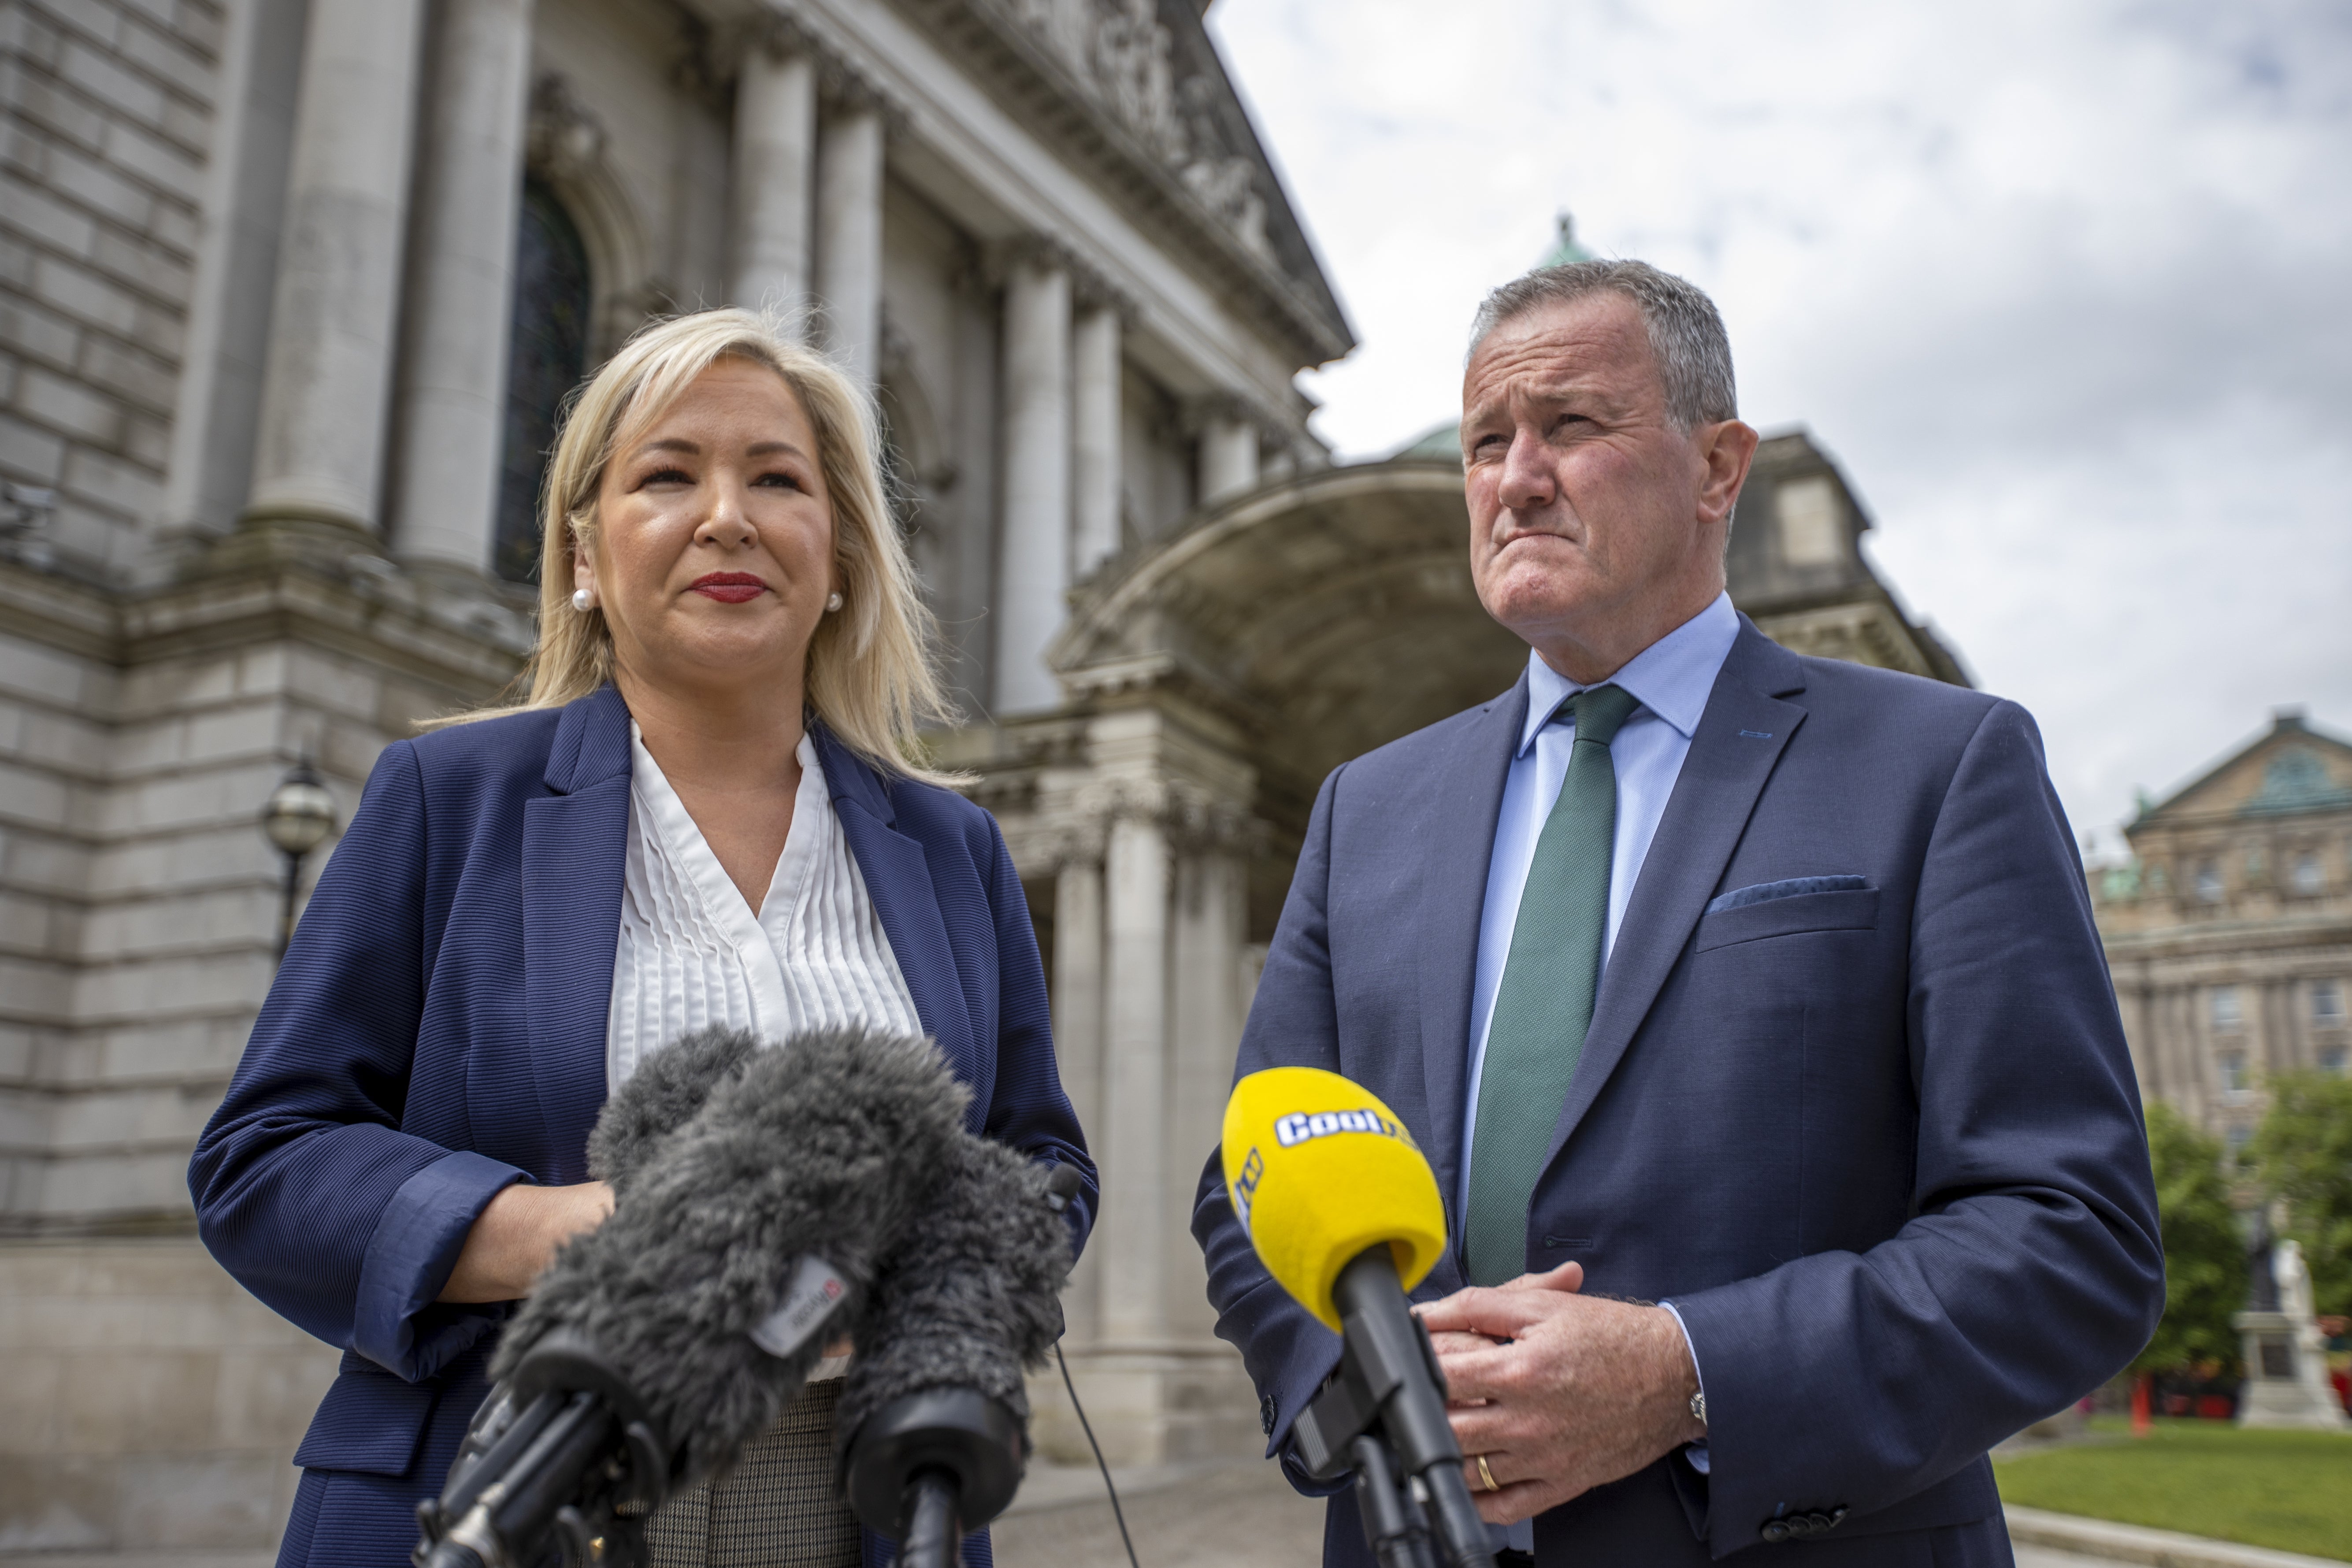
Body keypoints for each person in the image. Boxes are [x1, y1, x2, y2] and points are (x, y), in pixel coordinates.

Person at [1192, 260, 2161, 1566]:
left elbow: (2067, 1234)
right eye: (1485, 443)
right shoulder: (1367, 807)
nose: (1513, 479)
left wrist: (1684, 1370)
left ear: (1716, 468)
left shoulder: (1939, 765)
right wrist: (1367, 1380)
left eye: (1570, 427)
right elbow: (1254, 1171)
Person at [189, 308, 1094, 1568]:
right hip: (500, 1478)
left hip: (861, 1508)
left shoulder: (954, 850)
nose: (726, 516)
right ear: (582, 553)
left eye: (777, 479)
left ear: (836, 553)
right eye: (666, 475)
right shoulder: (447, 796)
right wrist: (597, 1230)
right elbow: (265, 1164)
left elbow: (1041, 1161)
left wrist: (938, 1268)